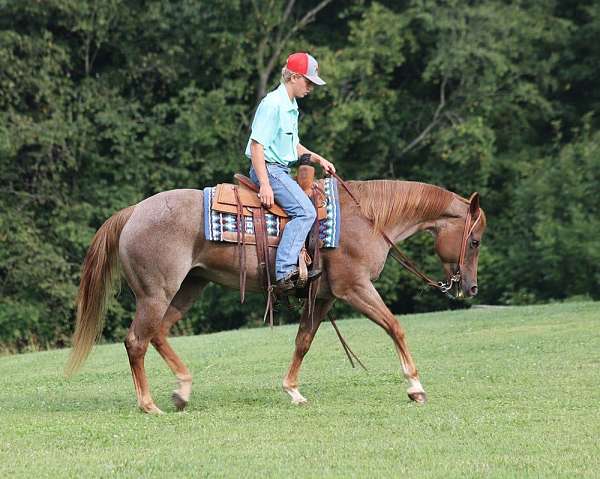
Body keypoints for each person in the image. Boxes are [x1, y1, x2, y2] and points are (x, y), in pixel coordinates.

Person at [245, 52, 336, 292]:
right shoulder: (273, 104)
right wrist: (264, 184)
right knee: (306, 212)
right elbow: (257, 146)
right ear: (294, 77)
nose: (310, 87)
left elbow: (292, 146)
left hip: (279, 169)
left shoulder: (290, 106)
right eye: (308, 81)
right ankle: (285, 273)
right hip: (269, 169)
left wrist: (319, 158)